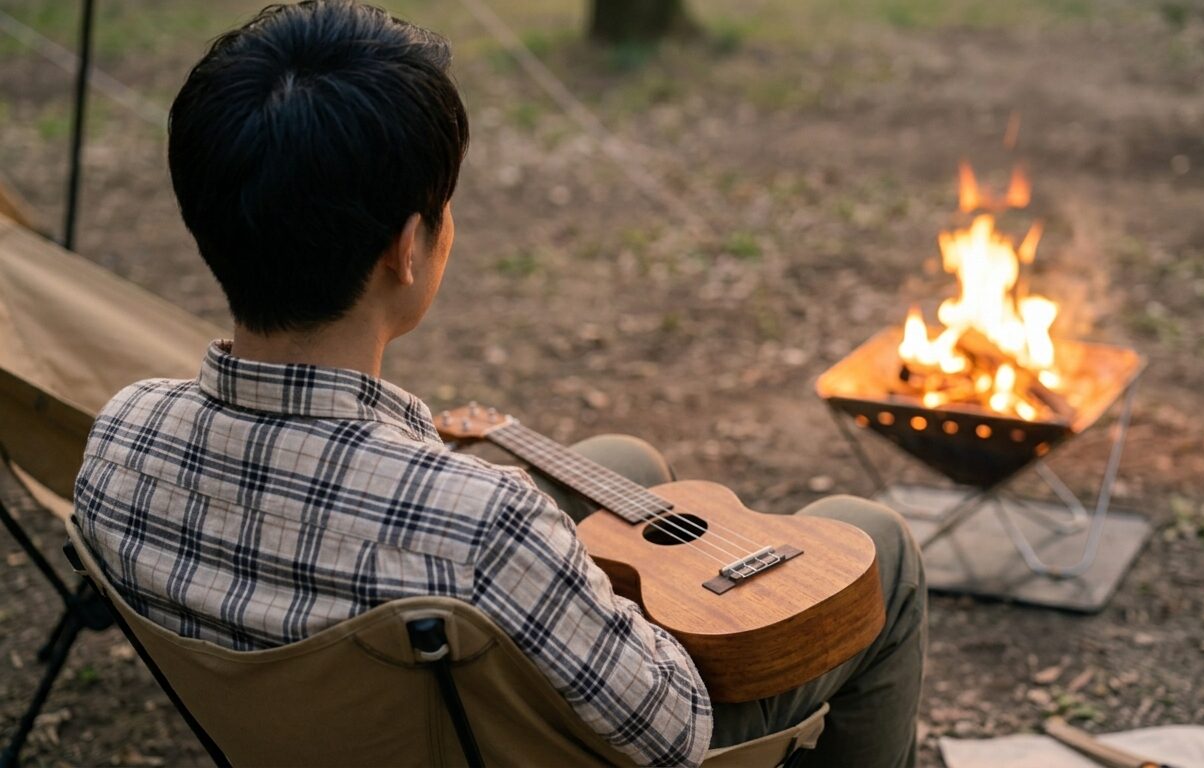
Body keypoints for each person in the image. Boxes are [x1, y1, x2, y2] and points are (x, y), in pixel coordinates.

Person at [71, 2, 925, 766]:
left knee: (620, 464)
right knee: (874, 542)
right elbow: (674, 729)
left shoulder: (119, 438)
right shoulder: (485, 526)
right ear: (407, 250)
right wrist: (622, 610)